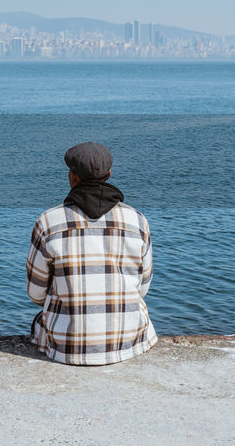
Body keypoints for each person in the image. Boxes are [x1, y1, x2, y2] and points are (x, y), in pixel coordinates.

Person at [25, 141, 156, 365]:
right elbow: (142, 288)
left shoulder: (48, 221)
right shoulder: (137, 220)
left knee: (39, 320)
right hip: (128, 342)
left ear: (72, 176)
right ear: (109, 174)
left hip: (67, 347)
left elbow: (36, 293)